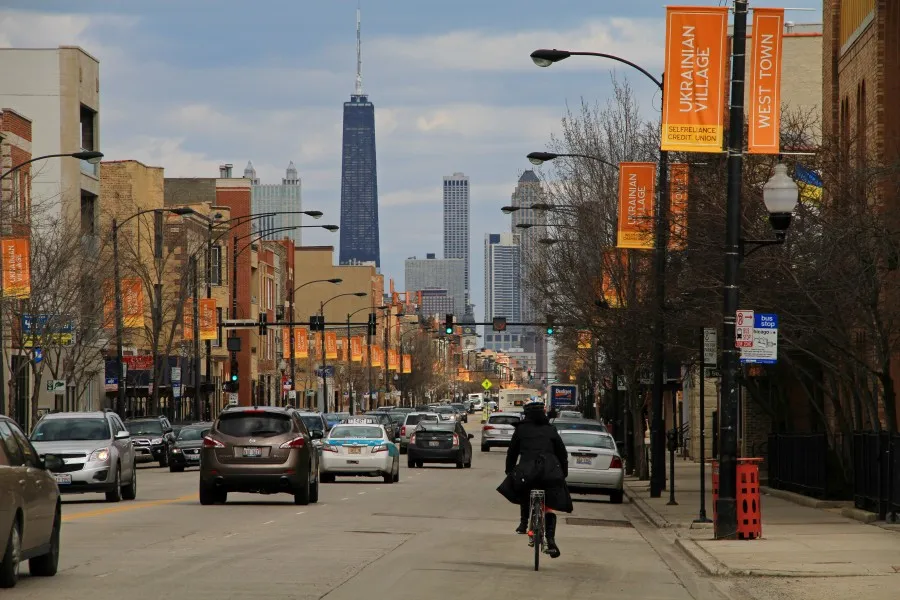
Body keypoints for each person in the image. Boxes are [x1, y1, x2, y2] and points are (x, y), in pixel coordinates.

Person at [498, 399, 572, 558]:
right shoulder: (551, 430)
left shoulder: (521, 430)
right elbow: (562, 454)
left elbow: (512, 453)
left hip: (527, 470)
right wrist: (563, 473)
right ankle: (550, 539)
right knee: (549, 505)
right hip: (549, 471)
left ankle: (524, 523)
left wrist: (509, 471)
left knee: (524, 488)